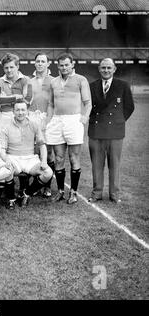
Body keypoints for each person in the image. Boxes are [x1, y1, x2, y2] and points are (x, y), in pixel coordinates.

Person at [45, 53, 92, 204]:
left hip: (73, 120)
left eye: (67, 64)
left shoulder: (81, 79)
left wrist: (85, 117)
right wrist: (49, 120)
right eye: (61, 65)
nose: (64, 67)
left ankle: (74, 192)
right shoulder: (54, 82)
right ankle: (60, 191)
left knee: (73, 158)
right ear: (57, 66)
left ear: (72, 65)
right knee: (58, 158)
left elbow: (88, 102)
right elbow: (51, 104)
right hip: (57, 120)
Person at [88, 58, 134, 204]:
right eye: (103, 68)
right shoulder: (92, 86)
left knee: (114, 165)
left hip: (115, 132)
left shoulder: (123, 85)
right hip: (96, 132)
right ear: (99, 69)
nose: (106, 70)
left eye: (109, 68)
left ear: (114, 69)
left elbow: (129, 107)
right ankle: (97, 193)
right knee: (96, 165)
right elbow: (87, 107)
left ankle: (114, 194)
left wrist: (118, 121)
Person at [1, 102, 53, 210]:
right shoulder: (6, 126)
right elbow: (2, 150)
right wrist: (6, 159)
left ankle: (26, 194)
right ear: (13, 112)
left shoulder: (34, 124)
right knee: (6, 170)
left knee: (48, 173)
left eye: (23, 110)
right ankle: (11, 199)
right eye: (18, 110)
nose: (20, 113)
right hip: (13, 158)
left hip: (30, 159)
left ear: (27, 111)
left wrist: (44, 161)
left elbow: (42, 146)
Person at [29, 52, 55, 197]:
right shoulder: (29, 81)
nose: (40, 63)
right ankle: (36, 184)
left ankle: (47, 186)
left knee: (48, 153)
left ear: (48, 63)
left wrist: (49, 119)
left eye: (43, 61)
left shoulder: (53, 80)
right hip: (33, 118)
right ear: (34, 63)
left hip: (48, 119)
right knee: (34, 153)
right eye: (38, 61)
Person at [0, 53, 32, 134]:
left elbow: (28, 99)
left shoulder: (26, 80)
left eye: (11, 67)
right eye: (6, 68)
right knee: (1, 144)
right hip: (4, 116)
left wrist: (5, 99)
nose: (9, 70)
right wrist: (16, 97)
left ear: (17, 66)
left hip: (21, 114)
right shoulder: (0, 81)